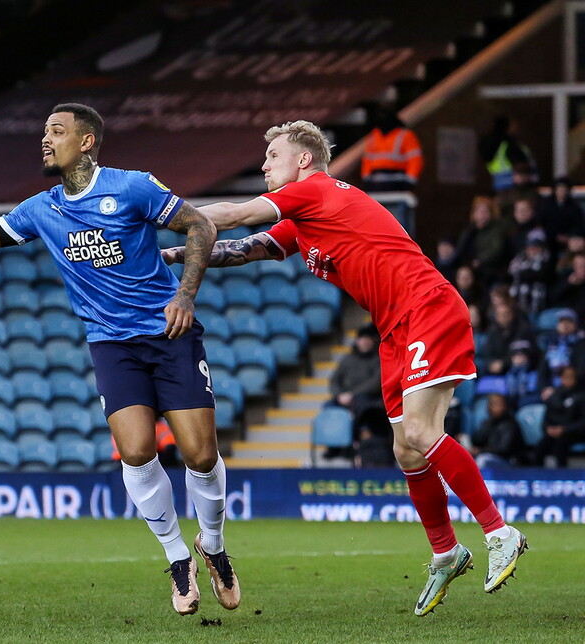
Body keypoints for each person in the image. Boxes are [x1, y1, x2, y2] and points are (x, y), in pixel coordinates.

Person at [0, 103, 240, 616]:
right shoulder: (41, 208)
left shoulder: (133, 186)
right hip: (110, 343)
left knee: (200, 456)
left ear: (86, 142)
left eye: (57, 131)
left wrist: (184, 295)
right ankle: (178, 557)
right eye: (44, 132)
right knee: (136, 451)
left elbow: (200, 226)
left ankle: (214, 546)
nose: (45, 140)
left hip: (169, 334)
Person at [163, 120, 527, 616]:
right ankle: (446, 552)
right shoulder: (304, 218)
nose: (265, 164)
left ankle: (499, 532)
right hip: (393, 328)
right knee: (405, 449)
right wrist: (174, 254)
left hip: (426, 306)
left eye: (273, 155)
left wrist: (160, 217)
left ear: (304, 161)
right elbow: (245, 250)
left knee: (421, 431)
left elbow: (236, 215)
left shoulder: (313, 190)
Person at [360, 104, 423, 192]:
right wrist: (366, 179)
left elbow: (415, 159)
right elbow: (367, 159)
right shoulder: (374, 136)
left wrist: (410, 180)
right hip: (376, 182)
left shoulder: (405, 135)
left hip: (397, 181)